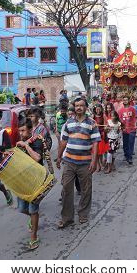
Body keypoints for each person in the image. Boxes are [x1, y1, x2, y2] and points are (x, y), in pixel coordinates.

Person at [56, 97, 101, 228]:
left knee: (86, 190)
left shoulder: (92, 123)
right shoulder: (68, 123)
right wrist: (59, 157)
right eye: (76, 106)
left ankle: (83, 214)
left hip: (85, 163)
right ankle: (67, 218)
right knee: (66, 189)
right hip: (69, 162)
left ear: (86, 107)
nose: (79, 108)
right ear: (74, 108)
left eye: (81, 105)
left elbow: (95, 143)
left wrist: (94, 161)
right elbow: (63, 142)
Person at [15, 119, 45, 250]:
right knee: (22, 209)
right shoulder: (19, 143)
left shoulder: (37, 140)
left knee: (33, 210)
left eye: (23, 130)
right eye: (19, 131)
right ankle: (33, 219)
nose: (21, 133)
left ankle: (34, 237)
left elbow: (37, 158)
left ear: (30, 130)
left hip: (35, 181)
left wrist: (26, 145)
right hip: (23, 181)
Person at [117, 96, 137, 165]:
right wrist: (121, 127)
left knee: (131, 143)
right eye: (124, 100)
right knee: (125, 144)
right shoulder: (120, 110)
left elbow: (136, 117)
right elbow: (119, 120)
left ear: (129, 100)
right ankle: (126, 155)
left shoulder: (133, 109)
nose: (125, 101)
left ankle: (130, 157)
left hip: (132, 129)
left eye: (126, 99)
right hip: (124, 129)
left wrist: (135, 124)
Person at [92, 104, 108, 172]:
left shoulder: (103, 115)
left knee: (101, 151)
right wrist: (94, 125)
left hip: (101, 134)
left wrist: (105, 128)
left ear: (101, 109)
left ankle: (102, 164)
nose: (98, 111)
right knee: (96, 151)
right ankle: (98, 165)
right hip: (95, 135)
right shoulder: (93, 116)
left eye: (99, 109)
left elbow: (105, 125)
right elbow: (91, 125)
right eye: (97, 109)